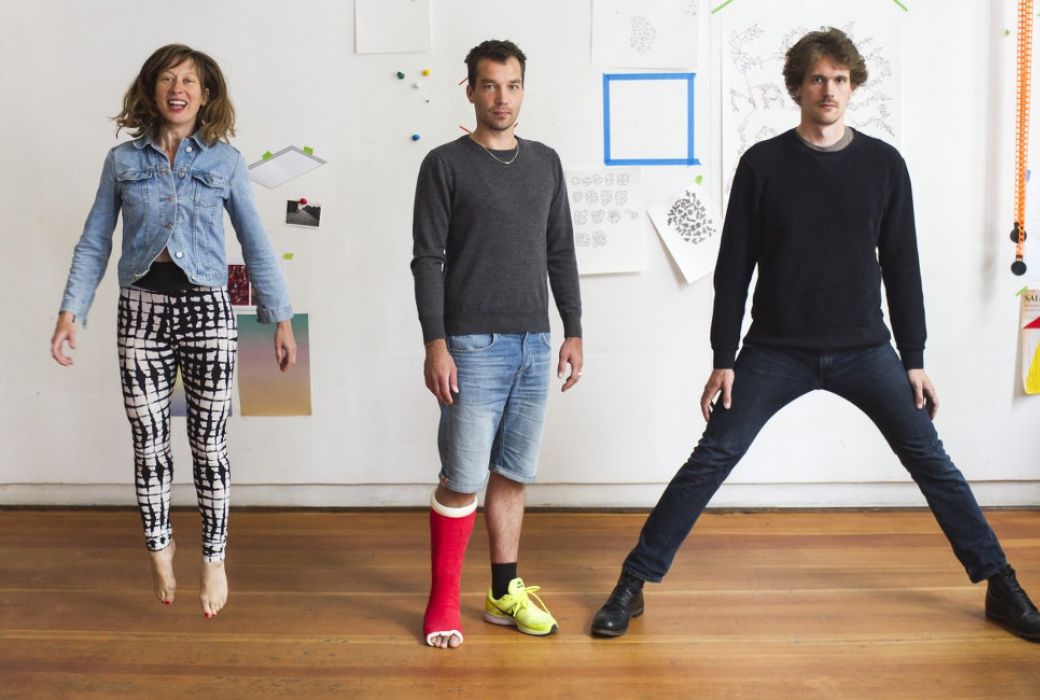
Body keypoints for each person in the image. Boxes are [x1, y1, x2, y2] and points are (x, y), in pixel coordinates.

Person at [591, 28, 1040, 643]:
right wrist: (724, 357)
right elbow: (733, 269)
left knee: (929, 456)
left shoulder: (884, 165)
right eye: (817, 79)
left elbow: (902, 267)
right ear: (797, 88)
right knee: (714, 454)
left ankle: (1000, 586)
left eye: (839, 79)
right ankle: (633, 583)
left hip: (866, 349)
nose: (829, 90)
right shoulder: (763, 165)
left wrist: (914, 358)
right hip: (775, 349)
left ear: (853, 87)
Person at [51, 44, 296, 619]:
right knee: (149, 441)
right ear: (152, 89)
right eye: (167, 78)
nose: (178, 88)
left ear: (205, 95)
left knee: (209, 443)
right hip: (140, 310)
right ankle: (159, 549)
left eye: (189, 80)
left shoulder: (226, 162)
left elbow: (255, 242)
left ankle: (214, 558)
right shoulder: (121, 161)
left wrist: (280, 318)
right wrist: (70, 310)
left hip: (208, 311)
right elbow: (95, 240)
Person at [411, 39, 583, 649]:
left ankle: (503, 593)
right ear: (471, 91)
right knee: (463, 478)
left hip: (535, 343)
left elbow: (560, 251)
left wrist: (573, 330)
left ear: (523, 90)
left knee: (512, 473)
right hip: (471, 345)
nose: (501, 98)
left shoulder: (546, 163)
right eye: (489, 85)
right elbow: (427, 259)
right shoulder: (444, 164)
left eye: (511, 86)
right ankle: (443, 602)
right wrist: (436, 344)